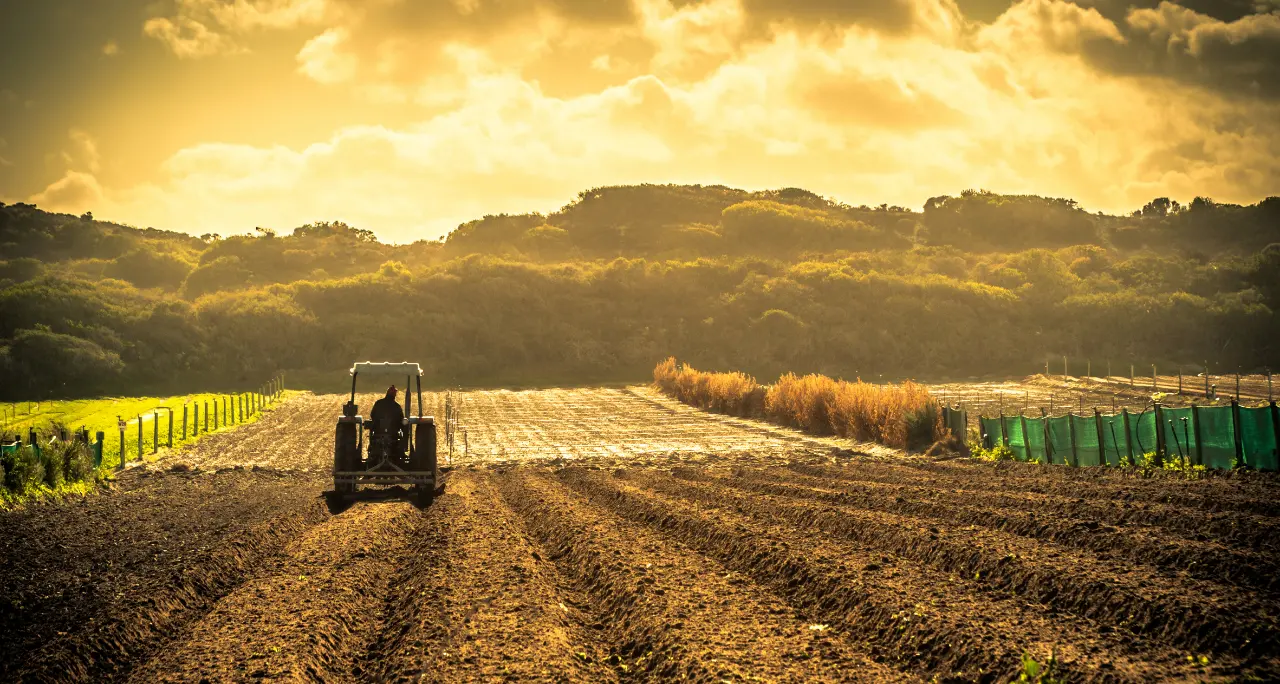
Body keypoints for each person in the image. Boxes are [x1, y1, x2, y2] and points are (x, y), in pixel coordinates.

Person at [369, 385, 407, 456]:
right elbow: (401, 419)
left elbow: (372, 415)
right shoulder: (396, 406)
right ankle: (403, 449)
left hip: (378, 433)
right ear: (394, 395)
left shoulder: (378, 403)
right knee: (405, 425)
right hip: (393, 435)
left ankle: (372, 448)